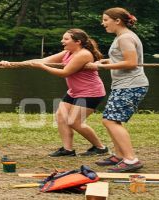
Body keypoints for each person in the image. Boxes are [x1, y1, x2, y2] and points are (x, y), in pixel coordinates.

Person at [10, 29, 108, 158]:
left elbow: (65, 73)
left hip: (91, 92)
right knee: (61, 117)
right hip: (74, 92)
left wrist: (42, 67)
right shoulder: (68, 52)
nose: (62, 41)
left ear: (78, 41)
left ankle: (100, 147)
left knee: (74, 121)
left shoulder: (83, 54)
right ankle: (68, 150)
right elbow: (44, 60)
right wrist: (12, 64)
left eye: (66, 39)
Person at [85, 7, 149, 173]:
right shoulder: (123, 37)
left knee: (110, 120)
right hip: (124, 84)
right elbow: (122, 58)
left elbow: (131, 63)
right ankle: (120, 156)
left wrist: (102, 67)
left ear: (117, 21)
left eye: (106, 20)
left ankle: (130, 160)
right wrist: (105, 61)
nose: (103, 23)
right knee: (113, 119)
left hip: (131, 84)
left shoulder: (125, 38)